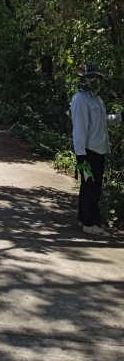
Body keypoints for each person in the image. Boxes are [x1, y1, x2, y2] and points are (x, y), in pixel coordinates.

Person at [71, 63, 122, 237]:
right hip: (88, 151)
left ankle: (83, 219)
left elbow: (102, 120)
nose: (96, 81)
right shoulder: (80, 99)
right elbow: (80, 128)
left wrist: (119, 117)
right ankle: (90, 224)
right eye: (92, 78)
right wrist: (80, 155)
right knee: (91, 188)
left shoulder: (96, 99)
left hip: (99, 150)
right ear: (84, 79)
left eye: (98, 78)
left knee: (90, 187)